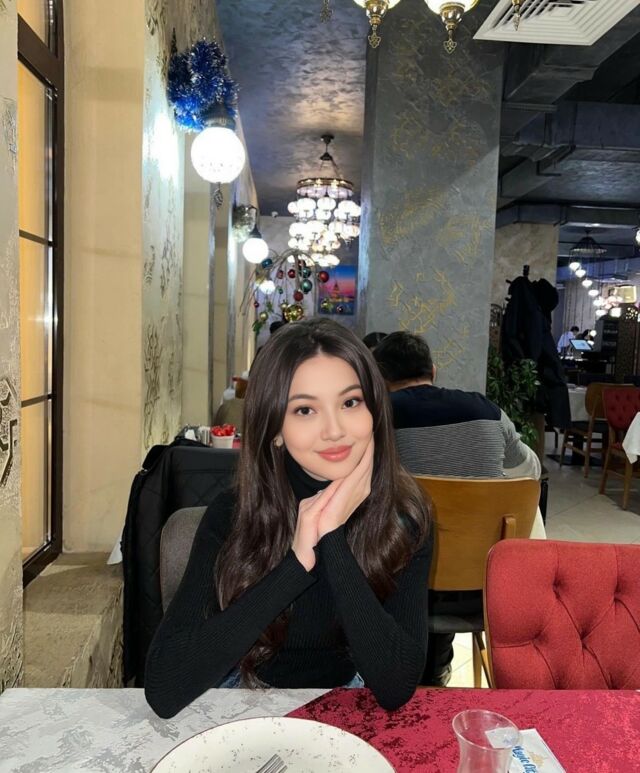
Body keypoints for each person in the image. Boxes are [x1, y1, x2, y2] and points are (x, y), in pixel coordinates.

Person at [145, 318, 432, 718]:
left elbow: (396, 686)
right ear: (275, 429)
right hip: (243, 695)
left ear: (375, 411)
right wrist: (296, 565)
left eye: (350, 403)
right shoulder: (234, 514)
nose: (334, 430)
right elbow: (163, 687)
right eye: (305, 410)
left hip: (348, 701)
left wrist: (332, 536)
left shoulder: (404, 518)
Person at [373, 331, 542, 686]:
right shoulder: (487, 411)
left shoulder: (377, 417)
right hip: (483, 587)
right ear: (433, 371)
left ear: (381, 376)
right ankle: (437, 670)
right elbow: (530, 470)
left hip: (398, 588)